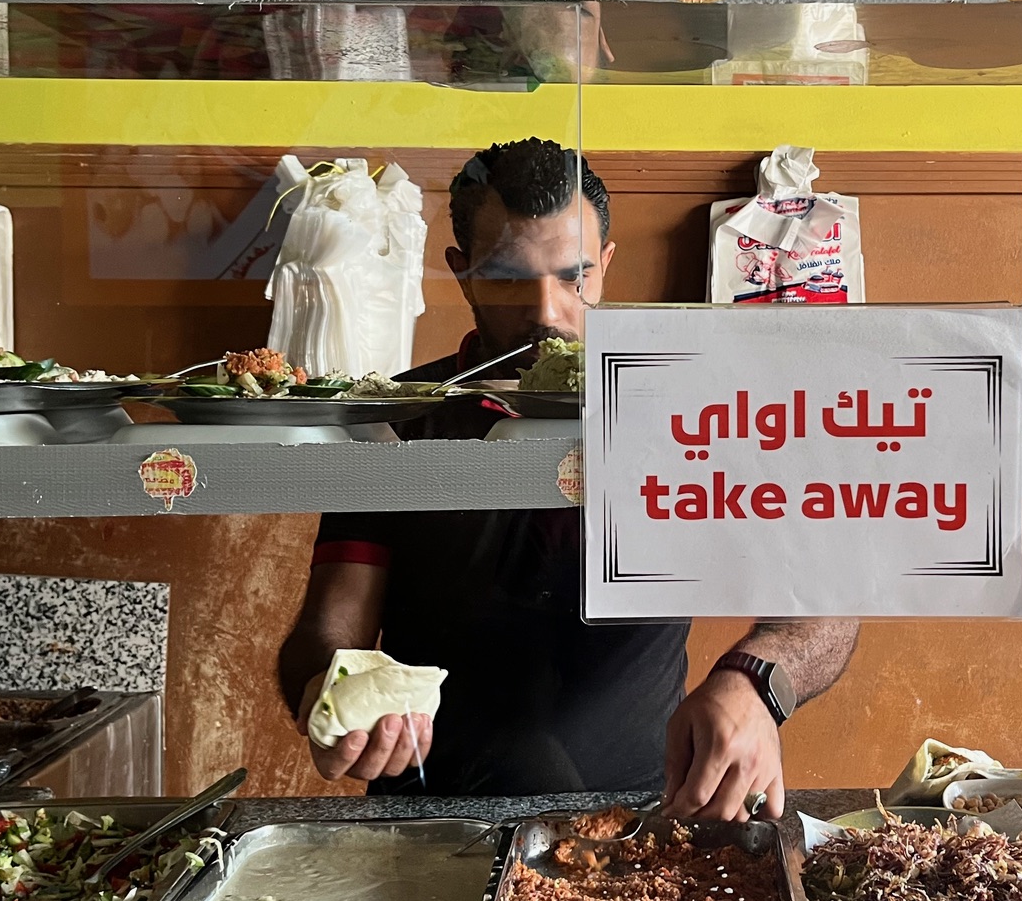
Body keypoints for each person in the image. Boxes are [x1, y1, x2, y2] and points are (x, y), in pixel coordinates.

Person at [276, 137, 858, 821]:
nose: (547, 311)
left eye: (573, 276)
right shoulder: (398, 420)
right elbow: (329, 629)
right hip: (429, 820)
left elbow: (826, 605)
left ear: (605, 265)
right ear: (462, 274)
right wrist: (329, 692)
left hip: (639, 816)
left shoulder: (688, 416)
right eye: (507, 277)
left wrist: (755, 683)